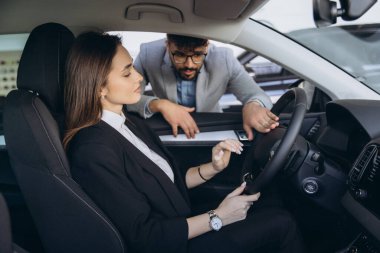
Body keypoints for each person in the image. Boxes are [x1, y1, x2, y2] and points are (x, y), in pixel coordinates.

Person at [63, 31, 303, 253]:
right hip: (174, 243)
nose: (138, 76)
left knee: (270, 200)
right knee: (282, 223)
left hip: (180, 218)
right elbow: (145, 236)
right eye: (127, 73)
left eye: (133, 69)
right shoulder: (93, 151)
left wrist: (213, 167)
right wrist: (218, 217)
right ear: (98, 88)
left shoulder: (130, 123)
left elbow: (169, 181)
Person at [126, 34, 279, 139]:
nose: (189, 65)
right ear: (167, 45)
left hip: (211, 128)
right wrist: (159, 104)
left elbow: (258, 95)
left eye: (198, 55)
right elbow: (126, 96)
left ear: (207, 46)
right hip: (168, 131)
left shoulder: (224, 58)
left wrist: (253, 104)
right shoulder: (149, 54)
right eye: (179, 55)